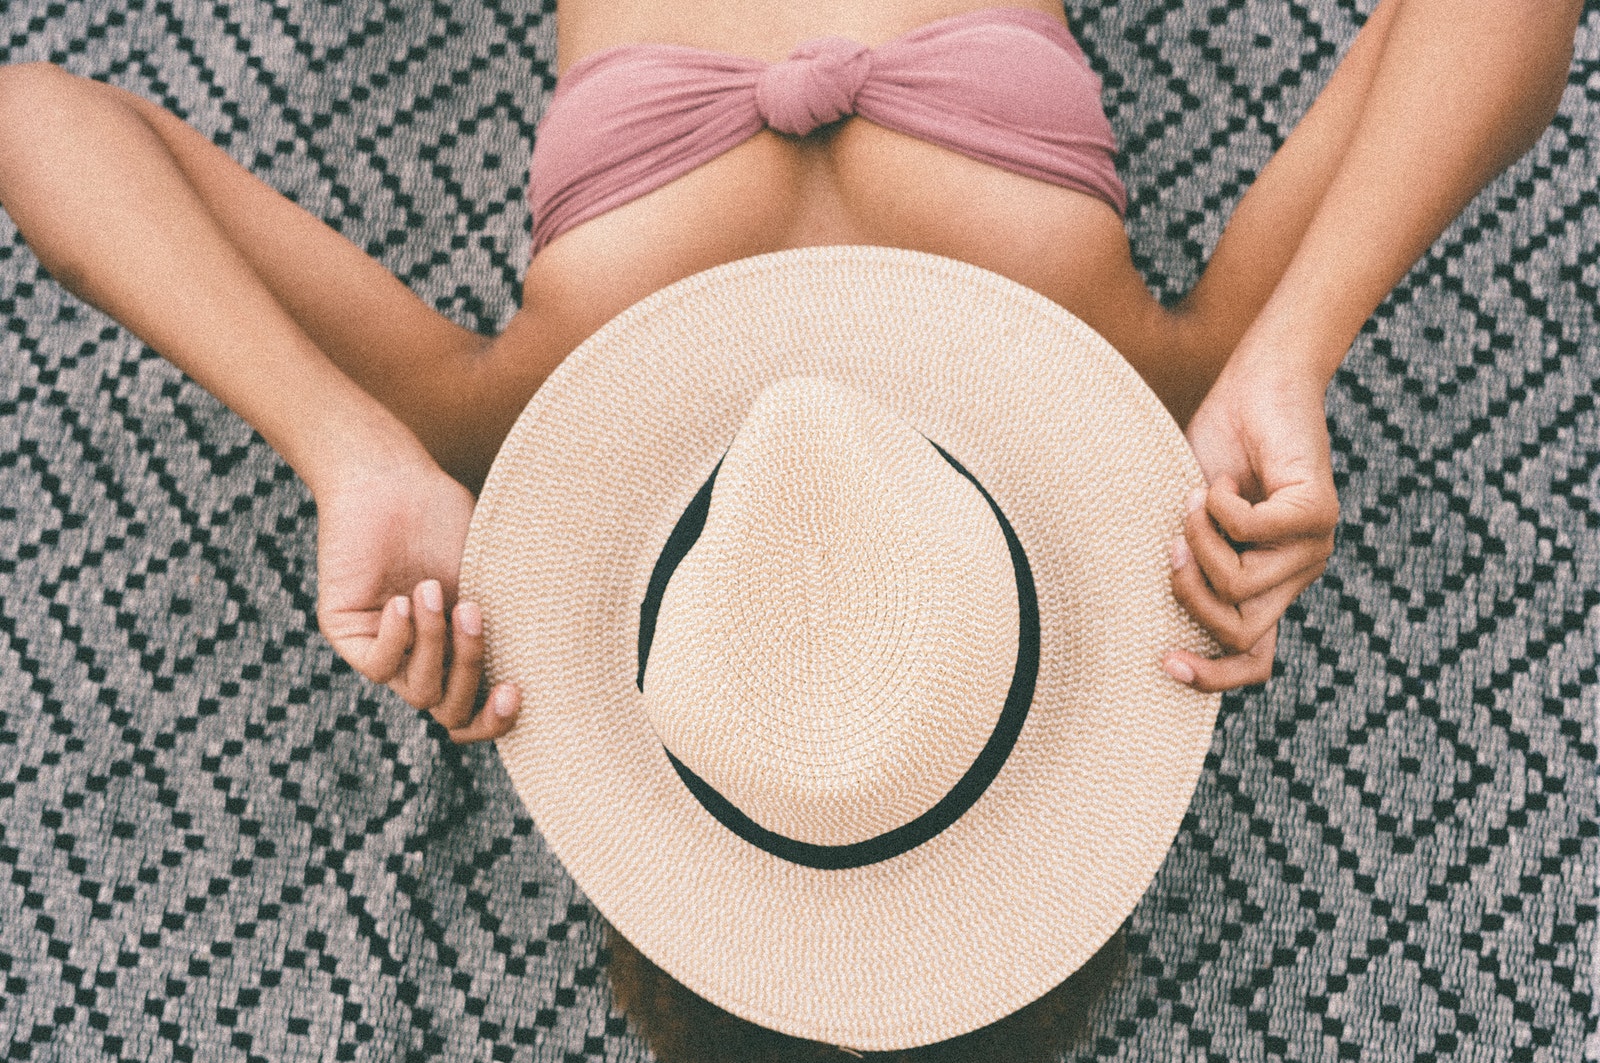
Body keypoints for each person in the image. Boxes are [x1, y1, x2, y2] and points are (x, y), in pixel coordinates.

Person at [0, 1, 1579, 743]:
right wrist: (1300, 343)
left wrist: (342, 448)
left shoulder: (519, 433)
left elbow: (36, 116)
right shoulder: (1147, 396)